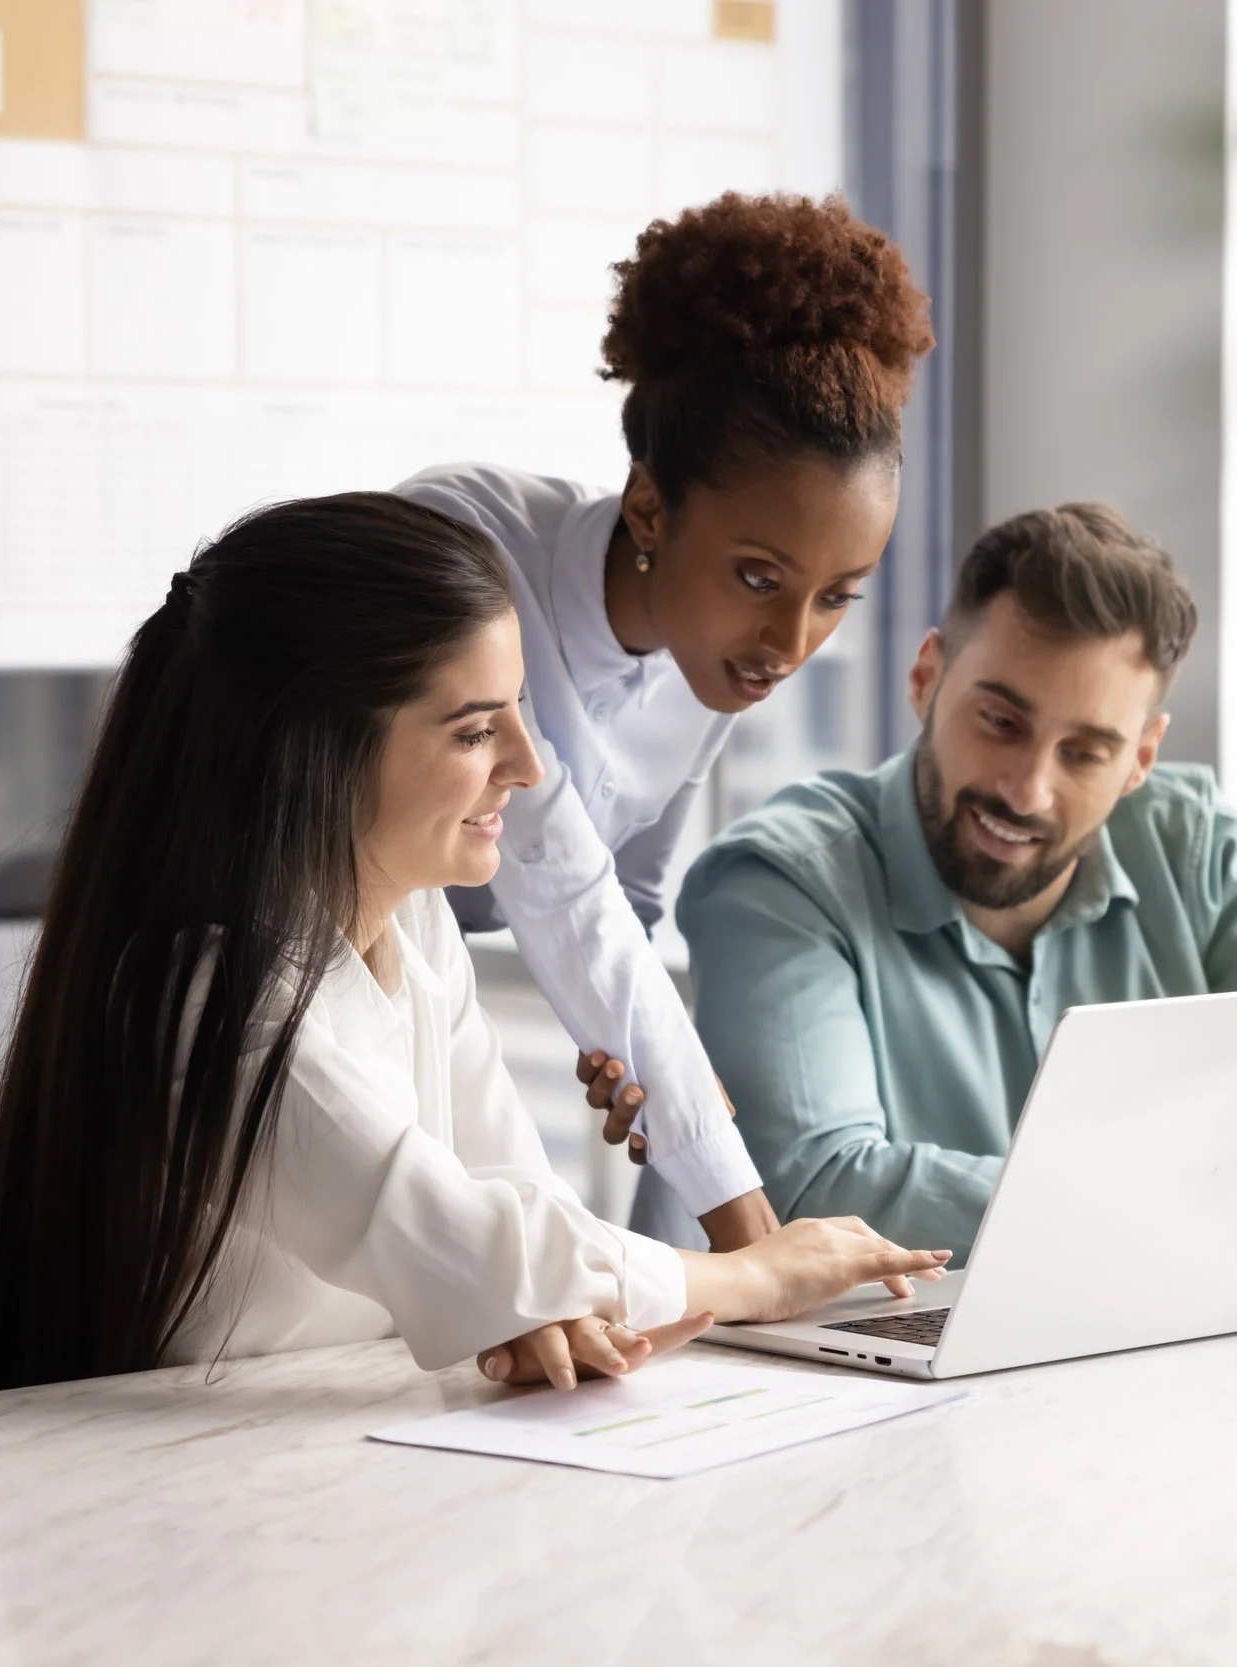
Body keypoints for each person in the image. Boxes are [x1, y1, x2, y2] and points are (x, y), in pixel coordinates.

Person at [0, 493, 947, 1399]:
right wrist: (749, 1274)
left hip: (318, 1465)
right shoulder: (211, 995)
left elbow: (510, 1201)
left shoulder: (413, 924)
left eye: (520, 713)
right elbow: (462, 1239)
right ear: (313, 753)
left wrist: (548, 1306)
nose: (529, 765)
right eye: (471, 731)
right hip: (151, 1503)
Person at [584, 503, 1237, 1275]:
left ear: (1143, 757)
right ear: (925, 679)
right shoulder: (778, 879)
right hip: (793, 1413)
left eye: (1087, 751)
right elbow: (823, 1186)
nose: (1026, 788)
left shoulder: (1193, 846)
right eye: (1000, 719)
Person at [394, 191, 934, 1254]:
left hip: (421, 1014)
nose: (791, 638)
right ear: (649, 508)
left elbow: (622, 909)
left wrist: (624, 1047)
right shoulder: (464, 546)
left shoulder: (713, 661)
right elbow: (557, 877)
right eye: (759, 576)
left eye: (837, 595)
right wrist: (756, 1242)